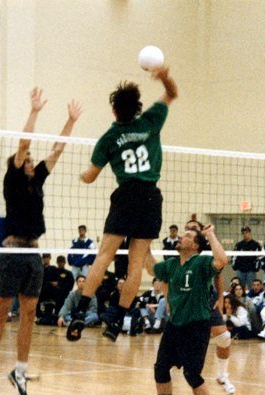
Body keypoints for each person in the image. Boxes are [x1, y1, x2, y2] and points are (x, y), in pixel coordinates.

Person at [0, 88, 82, 395]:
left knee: (29, 312)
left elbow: (57, 149)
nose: (29, 160)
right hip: (12, 251)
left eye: (30, 160)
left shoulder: (36, 179)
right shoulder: (12, 179)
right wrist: (35, 111)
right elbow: (24, 143)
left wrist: (70, 121)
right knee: (1, 312)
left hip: (33, 251)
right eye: (25, 159)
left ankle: (20, 370)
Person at [68, 66, 178, 342]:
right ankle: (117, 319)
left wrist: (81, 175)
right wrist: (163, 75)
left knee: (104, 255)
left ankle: (81, 311)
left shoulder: (109, 137)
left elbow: (91, 176)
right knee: (136, 262)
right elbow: (172, 93)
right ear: (138, 106)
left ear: (114, 111)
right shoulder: (150, 120)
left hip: (126, 195)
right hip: (151, 197)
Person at [148, 225, 228, 395]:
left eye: (187, 236)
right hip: (174, 326)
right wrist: (142, 242)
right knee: (160, 369)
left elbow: (222, 261)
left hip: (197, 326)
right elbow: (151, 268)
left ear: (195, 245)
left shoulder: (201, 262)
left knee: (192, 374)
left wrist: (210, 234)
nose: (182, 237)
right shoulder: (172, 264)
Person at [185, 218, 236, 395]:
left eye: (193, 229)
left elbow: (219, 275)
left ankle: (222, 375)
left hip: (207, 298)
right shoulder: (180, 250)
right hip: (186, 300)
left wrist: (221, 298)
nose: (189, 232)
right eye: (187, 229)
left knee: (224, 337)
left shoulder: (208, 253)